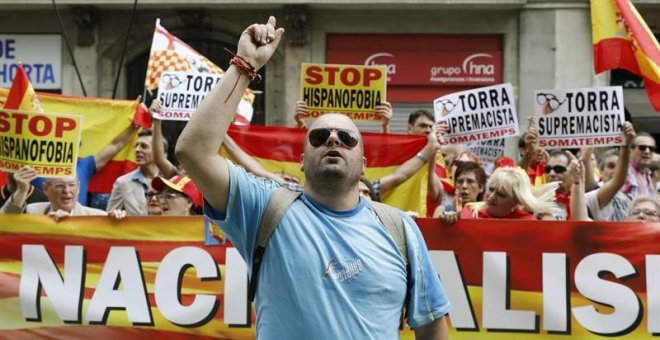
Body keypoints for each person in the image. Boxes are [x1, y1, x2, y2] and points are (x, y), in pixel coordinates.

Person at [175, 16, 450, 339]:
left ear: (363, 164)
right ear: (302, 161)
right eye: (319, 136)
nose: (333, 139)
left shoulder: (402, 229)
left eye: (347, 138)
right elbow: (192, 151)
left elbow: (431, 328)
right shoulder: (264, 210)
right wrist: (245, 64)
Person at [0, 166, 109, 221]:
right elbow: (5, 224)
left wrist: (118, 221)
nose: (66, 191)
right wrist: (22, 190)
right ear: (46, 189)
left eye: (71, 185)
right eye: (60, 185)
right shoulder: (33, 211)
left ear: (79, 187)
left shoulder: (98, 218)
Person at [459, 167, 560, 220]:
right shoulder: (470, 212)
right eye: (491, 189)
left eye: (501, 194)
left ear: (516, 201)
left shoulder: (528, 223)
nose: (492, 196)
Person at [582, 122, 636, 221]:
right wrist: (625, 146)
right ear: (601, 170)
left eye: (619, 166)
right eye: (611, 166)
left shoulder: (630, 198)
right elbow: (618, 181)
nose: (616, 170)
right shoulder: (593, 193)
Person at [106, 130, 161, 216]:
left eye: (144, 146)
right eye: (136, 146)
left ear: (159, 151)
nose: (137, 150)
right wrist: (115, 214)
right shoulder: (123, 182)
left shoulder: (172, 179)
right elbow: (109, 216)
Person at [622, 132, 657, 198]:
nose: (647, 151)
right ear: (631, 150)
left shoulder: (647, 175)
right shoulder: (623, 173)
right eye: (642, 147)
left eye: (651, 148)